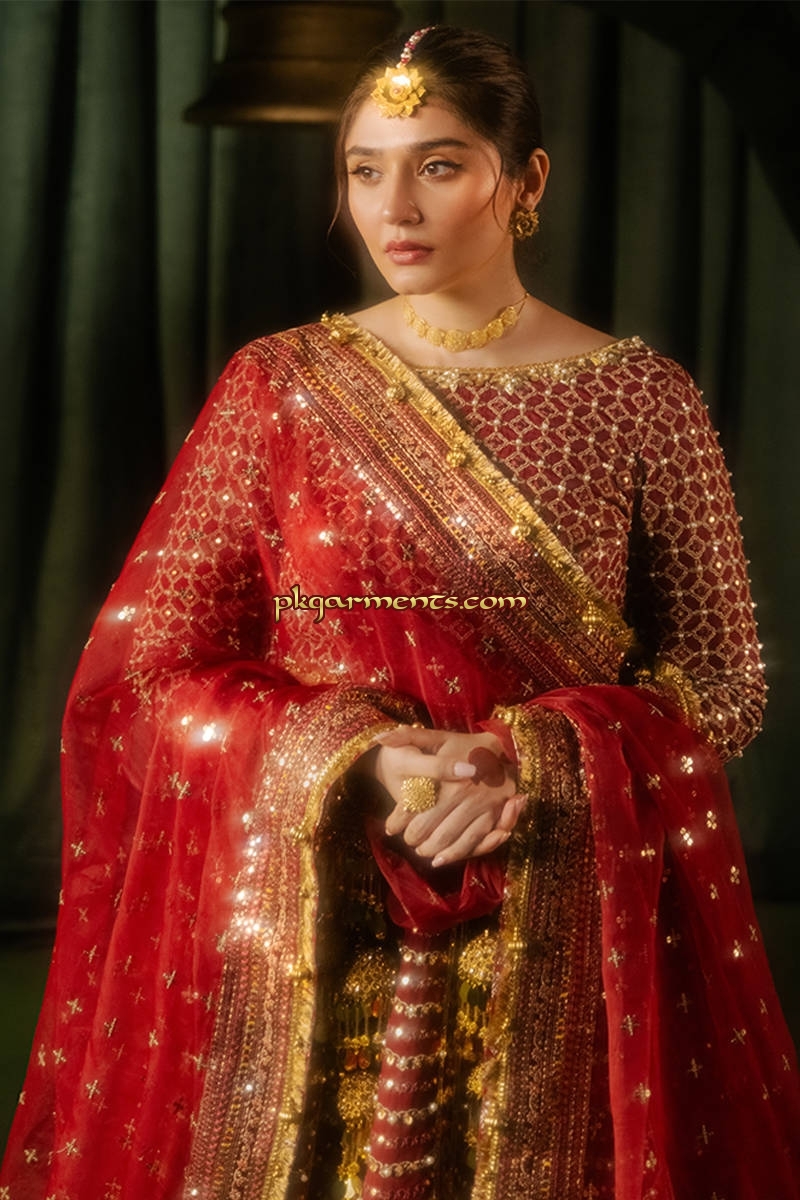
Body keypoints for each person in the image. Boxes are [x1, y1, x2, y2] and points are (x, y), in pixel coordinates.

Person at [2, 24, 798, 1200]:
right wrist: (361, 758)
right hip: (315, 903)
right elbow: (154, 669)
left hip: (562, 904)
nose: (394, 207)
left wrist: (523, 757)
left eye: (437, 164)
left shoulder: (640, 400)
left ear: (523, 179)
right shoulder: (277, 388)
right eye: (364, 169)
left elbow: (723, 683)